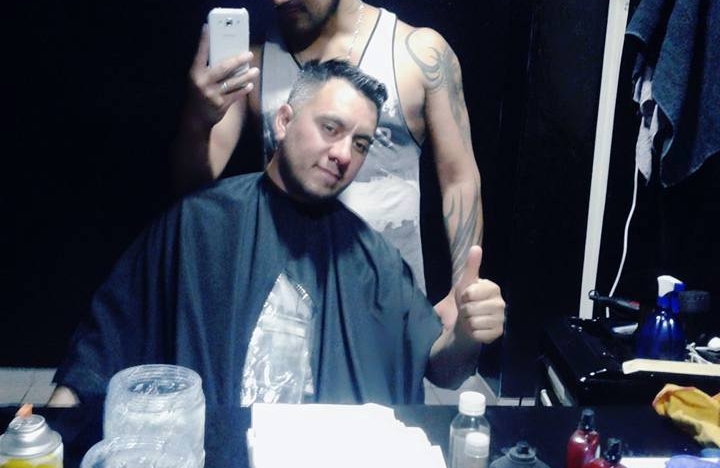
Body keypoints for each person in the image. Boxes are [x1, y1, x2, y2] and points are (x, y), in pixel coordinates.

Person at [51, 61, 504, 407]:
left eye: (361, 143)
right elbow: (99, 353)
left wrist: (466, 333)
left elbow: (442, 370)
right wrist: (44, 441)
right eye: (330, 128)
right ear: (284, 121)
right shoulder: (201, 223)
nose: (343, 154)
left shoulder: (377, 261)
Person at [173, 0, 483, 328]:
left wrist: (461, 292)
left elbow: (459, 179)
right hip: (286, 314)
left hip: (388, 314)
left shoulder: (418, 54)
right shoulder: (254, 65)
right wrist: (198, 117)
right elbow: (195, 186)